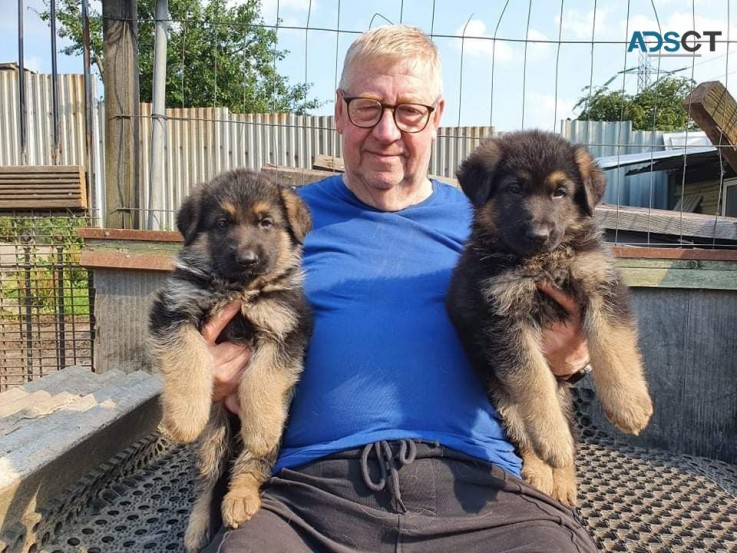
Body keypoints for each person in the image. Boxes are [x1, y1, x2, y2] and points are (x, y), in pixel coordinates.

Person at [202, 24, 598, 553]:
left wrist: (574, 359)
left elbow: (570, 324)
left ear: (435, 117)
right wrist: (214, 375)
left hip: (484, 490)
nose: (387, 131)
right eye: (367, 107)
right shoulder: (279, 223)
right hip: (310, 496)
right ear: (340, 112)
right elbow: (203, 328)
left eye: (409, 111)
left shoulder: (495, 224)